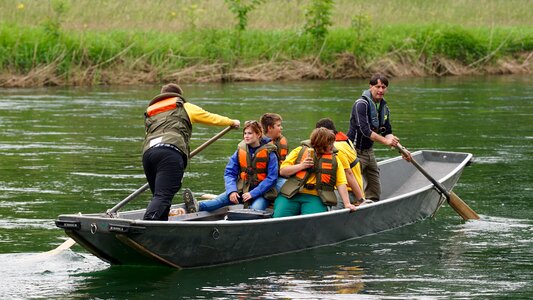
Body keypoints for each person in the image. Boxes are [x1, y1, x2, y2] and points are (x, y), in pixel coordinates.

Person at [141, 83, 240, 221]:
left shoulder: (151, 112)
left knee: (160, 196)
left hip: (148, 154)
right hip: (170, 152)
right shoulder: (183, 106)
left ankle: (160, 224)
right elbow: (209, 117)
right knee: (163, 196)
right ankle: (148, 224)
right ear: (178, 96)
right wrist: (231, 122)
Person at [347, 74, 412, 201]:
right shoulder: (361, 104)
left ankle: (371, 207)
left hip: (369, 152)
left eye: (384, 87)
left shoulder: (384, 108)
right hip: (354, 151)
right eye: (377, 86)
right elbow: (365, 131)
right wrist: (386, 141)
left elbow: (387, 131)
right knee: (351, 186)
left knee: (375, 190)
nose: (381, 90)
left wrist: (402, 149)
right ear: (370, 86)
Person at [193, 120, 279, 212]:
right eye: (245, 133)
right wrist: (232, 191)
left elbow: (272, 178)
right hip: (242, 190)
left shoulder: (270, 152)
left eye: (250, 133)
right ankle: (193, 207)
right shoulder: (240, 150)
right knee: (218, 201)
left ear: (258, 135)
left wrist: (253, 193)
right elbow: (229, 173)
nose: (246, 136)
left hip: (262, 193)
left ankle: (242, 219)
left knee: (255, 209)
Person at [273, 127, 357, 218]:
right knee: (279, 216)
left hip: (316, 196)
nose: (333, 146)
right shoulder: (299, 151)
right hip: (292, 193)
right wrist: (302, 166)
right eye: (330, 143)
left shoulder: (335, 159)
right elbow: (283, 171)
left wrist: (347, 203)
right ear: (321, 144)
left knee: (311, 220)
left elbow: (341, 183)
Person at [315, 118, 367, 207]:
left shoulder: (336, 149)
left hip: (348, 191)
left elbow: (348, 173)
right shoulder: (345, 140)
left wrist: (361, 199)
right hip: (357, 184)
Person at [260, 112, 289, 191]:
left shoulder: (281, 142)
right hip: (262, 180)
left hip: (277, 178)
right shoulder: (256, 142)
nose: (281, 128)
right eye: (278, 125)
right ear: (270, 128)